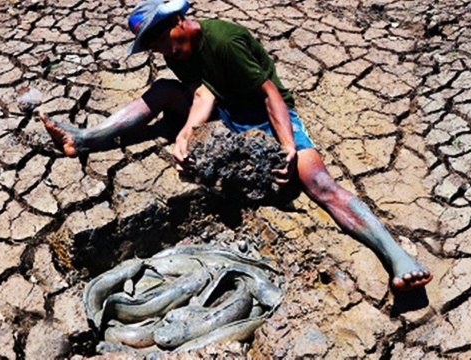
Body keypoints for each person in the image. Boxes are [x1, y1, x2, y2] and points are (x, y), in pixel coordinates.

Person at [37, 0, 432, 291]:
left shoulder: (224, 40)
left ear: (179, 21)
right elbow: (202, 94)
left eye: (164, 41)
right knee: (160, 91)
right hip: (225, 109)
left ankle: (396, 256)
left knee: (320, 185)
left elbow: (271, 96)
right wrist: (188, 132)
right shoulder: (179, 50)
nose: (165, 51)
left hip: (266, 115)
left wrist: (288, 147)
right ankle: (86, 138)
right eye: (155, 47)